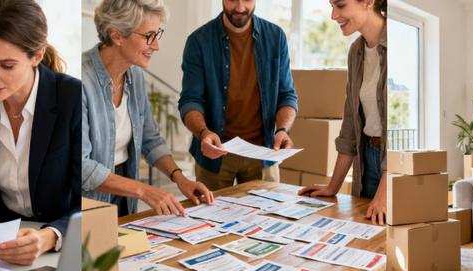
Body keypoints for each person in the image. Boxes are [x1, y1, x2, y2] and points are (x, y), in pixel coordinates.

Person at [0, 0, 80, 265]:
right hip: (1, 247)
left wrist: (49, 236)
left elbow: (90, 199)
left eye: (7, 65)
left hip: (65, 247)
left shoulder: (73, 99)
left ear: (36, 55)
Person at [82, 0, 215, 217]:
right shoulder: (81, 81)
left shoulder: (134, 75)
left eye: (157, 34)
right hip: (89, 203)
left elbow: (149, 139)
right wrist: (144, 191)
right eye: (148, 36)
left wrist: (181, 179)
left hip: (125, 198)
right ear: (117, 36)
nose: (156, 45)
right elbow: (82, 167)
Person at [178, 0, 299, 190]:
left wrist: (282, 130)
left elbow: (287, 95)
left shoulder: (276, 37)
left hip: (263, 153)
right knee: (210, 217)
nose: (240, 7)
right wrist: (204, 133)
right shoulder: (199, 41)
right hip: (215, 154)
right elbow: (190, 100)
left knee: (266, 217)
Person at [297, 0, 389, 225]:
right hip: (367, 159)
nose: (333, 15)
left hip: (396, 168)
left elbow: (403, 130)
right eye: (331, 6)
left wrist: (387, 189)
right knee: (367, 237)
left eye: (340, 5)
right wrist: (332, 186)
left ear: (368, 2)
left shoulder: (400, 44)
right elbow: (350, 124)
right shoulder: (356, 51)